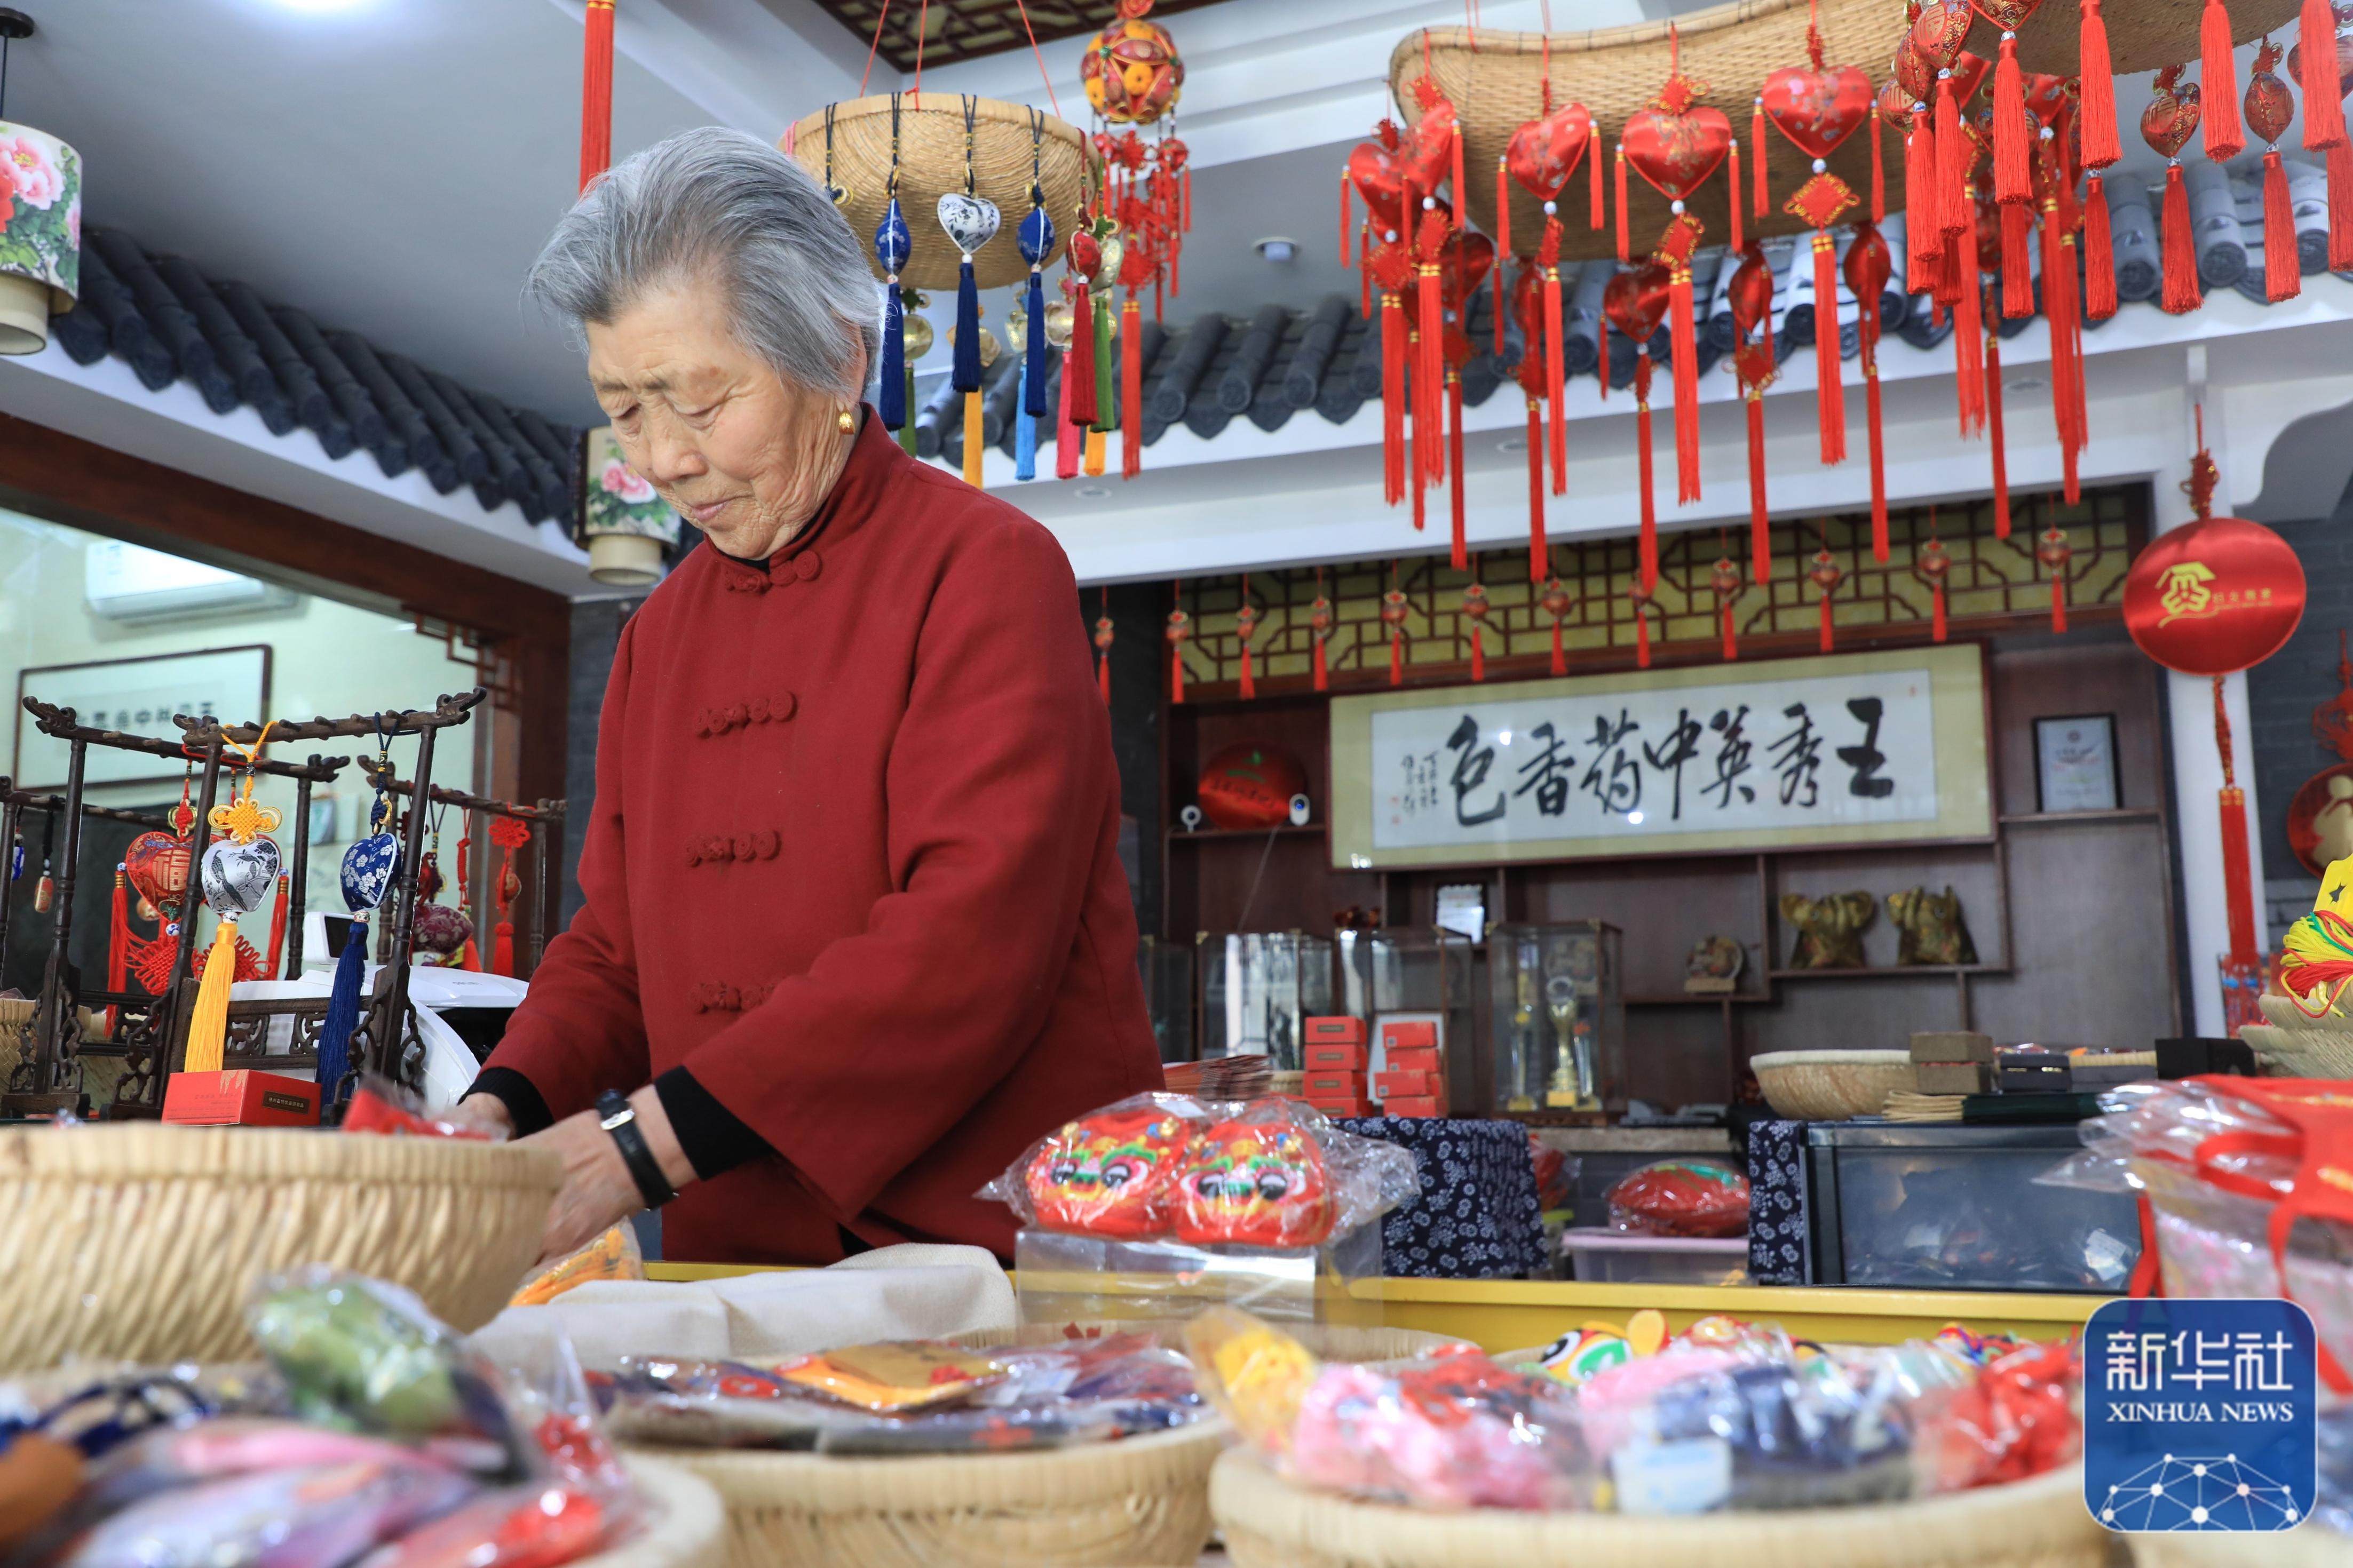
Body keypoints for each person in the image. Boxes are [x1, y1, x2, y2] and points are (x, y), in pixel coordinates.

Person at [451, 126, 1163, 1265]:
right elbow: (615, 951)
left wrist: (639, 1149)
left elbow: (972, 934)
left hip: (992, 1250)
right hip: (741, 1249)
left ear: (835, 360)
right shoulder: (658, 641)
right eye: (626, 407)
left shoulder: (981, 567)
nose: (665, 459)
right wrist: (502, 1107)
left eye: (698, 398)